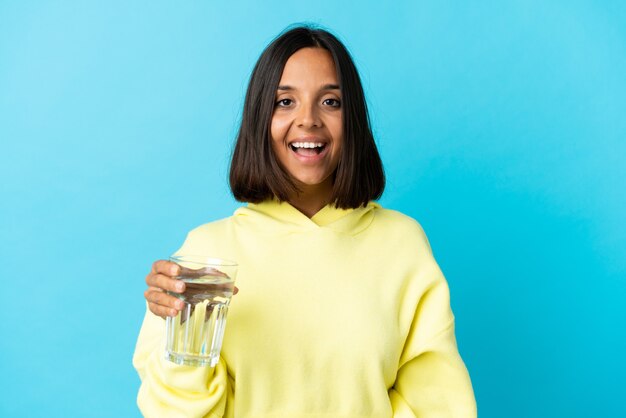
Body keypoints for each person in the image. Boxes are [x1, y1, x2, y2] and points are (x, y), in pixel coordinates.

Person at [133, 25, 477, 418]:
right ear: (259, 118)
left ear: (355, 121)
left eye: (331, 102)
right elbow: (175, 412)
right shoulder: (206, 255)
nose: (308, 120)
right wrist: (185, 330)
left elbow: (437, 403)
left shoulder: (401, 243)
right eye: (284, 102)